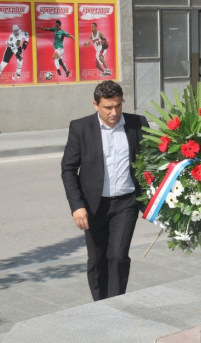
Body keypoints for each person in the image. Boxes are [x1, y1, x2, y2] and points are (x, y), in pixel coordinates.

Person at [61, 80, 148, 301]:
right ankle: (100, 306)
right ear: (95, 105)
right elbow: (68, 170)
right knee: (97, 260)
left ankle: (116, 303)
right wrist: (77, 206)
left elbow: (152, 162)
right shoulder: (80, 128)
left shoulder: (138, 124)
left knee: (118, 256)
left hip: (126, 203)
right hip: (93, 206)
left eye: (118, 105)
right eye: (108, 107)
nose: (114, 112)